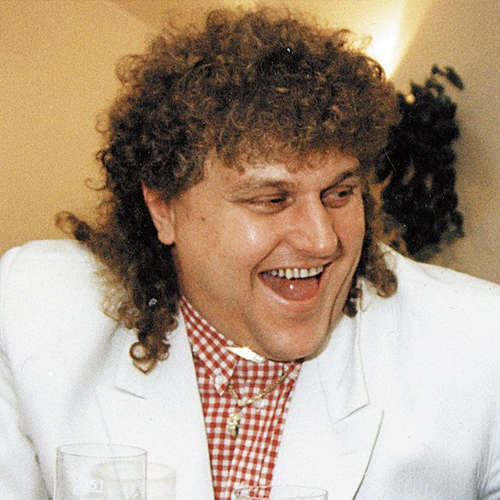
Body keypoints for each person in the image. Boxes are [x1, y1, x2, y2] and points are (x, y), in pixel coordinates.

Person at [1, 7, 499, 500]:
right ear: (163, 208)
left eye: (339, 193)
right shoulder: (32, 316)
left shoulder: (479, 343)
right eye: (271, 200)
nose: (322, 240)